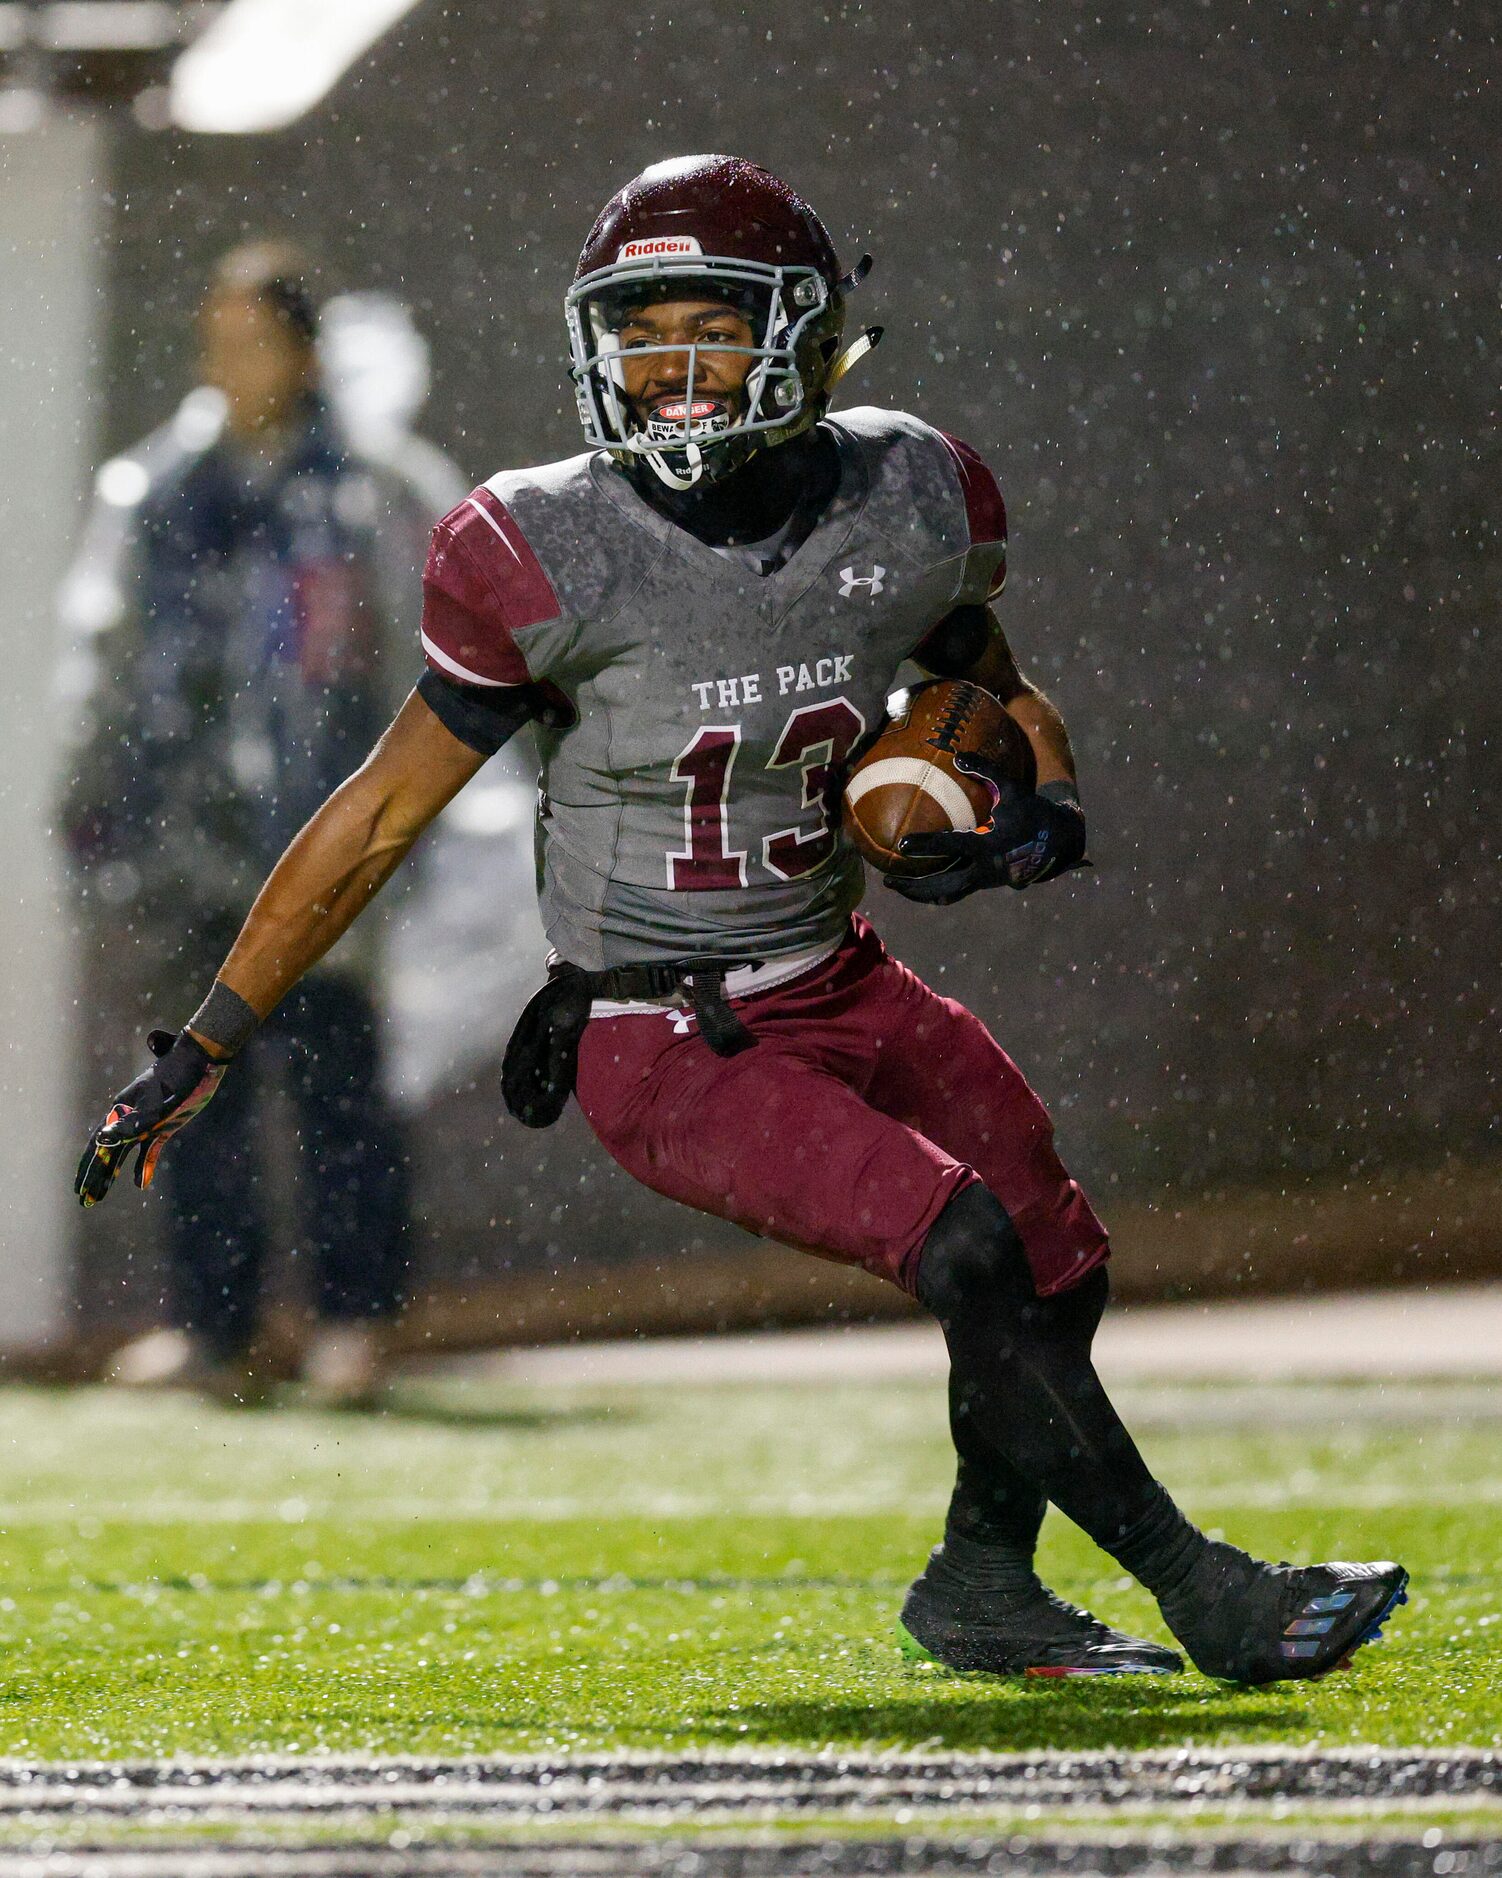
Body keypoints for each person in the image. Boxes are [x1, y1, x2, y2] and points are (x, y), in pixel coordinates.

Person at [74, 159, 1407, 1681]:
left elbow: (993, 682)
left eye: (708, 330)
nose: (669, 372)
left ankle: (981, 1578)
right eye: (639, 338)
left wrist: (1036, 809)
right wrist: (209, 1038)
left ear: (806, 337)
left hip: (838, 974)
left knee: (1053, 1253)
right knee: (966, 1246)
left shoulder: (912, 492)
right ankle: (1201, 1584)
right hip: (656, 1029)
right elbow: (379, 809)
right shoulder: (542, 543)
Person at [60, 243, 465, 1406]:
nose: (235, 365)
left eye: (256, 339)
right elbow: (102, 651)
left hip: (327, 837)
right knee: (188, 1093)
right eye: (219, 341)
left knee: (341, 1088)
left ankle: (353, 1322)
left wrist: (418, 815)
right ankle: (211, 1325)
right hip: (185, 841)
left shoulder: (373, 487)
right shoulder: (157, 490)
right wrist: (91, 806)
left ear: (302, 350)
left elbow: (435, 652)